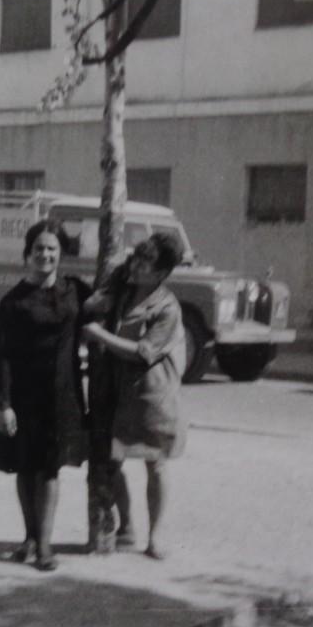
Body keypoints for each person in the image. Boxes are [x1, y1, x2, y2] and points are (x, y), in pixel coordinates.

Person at [0, 219, 90, 571]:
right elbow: (2, 357)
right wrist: (4, 405)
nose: (45, 255)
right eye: (39, 249)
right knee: (24, 466)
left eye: (52, 249)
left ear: (60, 255)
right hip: (23, 397)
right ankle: (29, 537)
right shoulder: (13, 302)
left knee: (49, 469)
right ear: (27, 254)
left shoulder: (75, 290)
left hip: (62, 395)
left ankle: (45, 545)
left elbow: (106, 302)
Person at [82, 232, 187, 560]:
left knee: (155, 464)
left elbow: (144, 353)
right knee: (111, 461)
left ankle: (155, 538)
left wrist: (98, 334)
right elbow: (90, 305)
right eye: (137, 259)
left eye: (145, 264)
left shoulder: (168, 307)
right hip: (116, 391)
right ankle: (127, 527)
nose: (136, 266)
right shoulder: (123, 290)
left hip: (152, 396)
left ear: (160, 274)